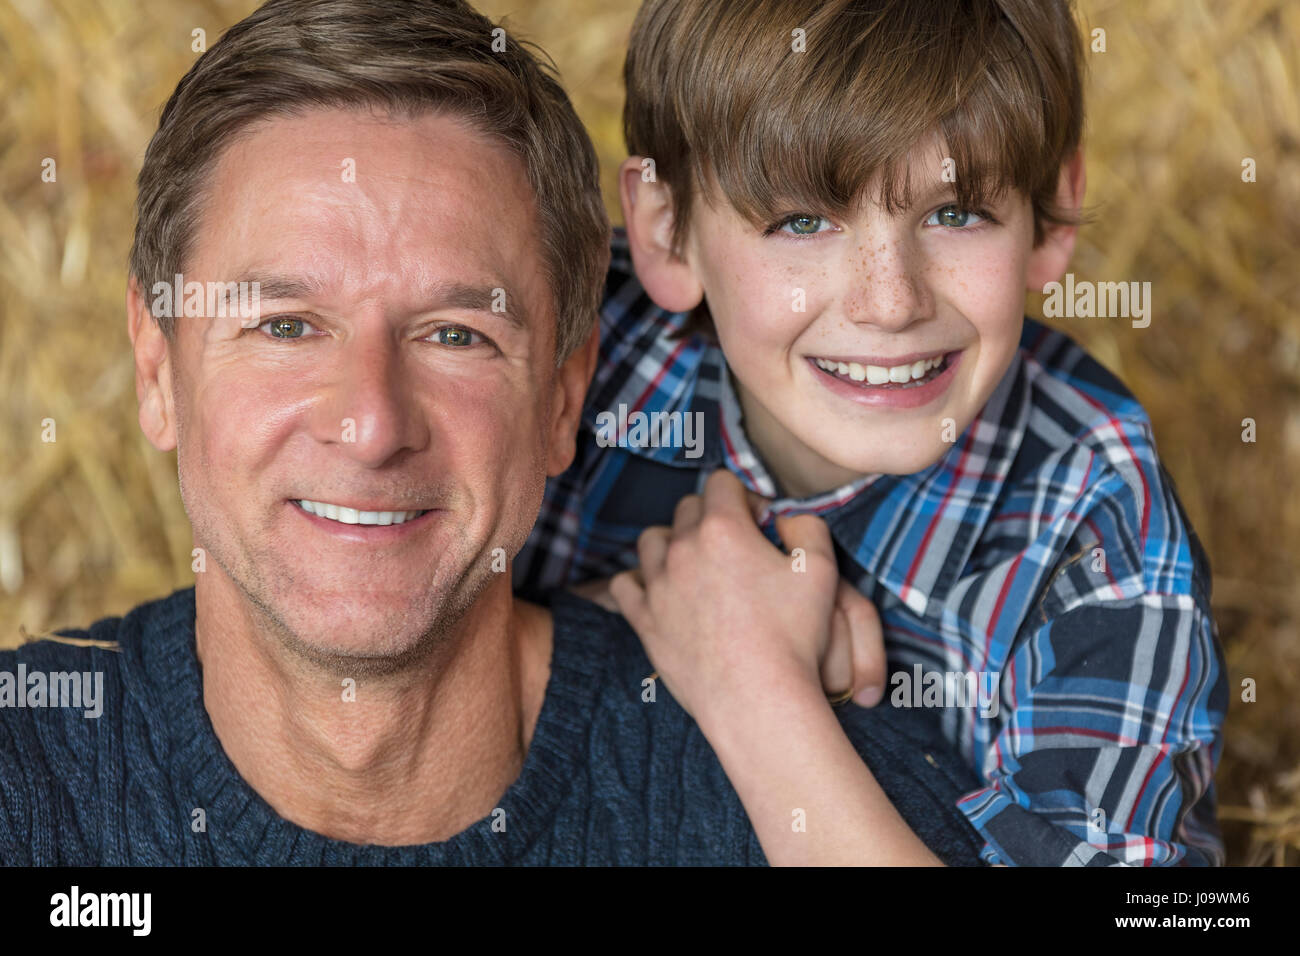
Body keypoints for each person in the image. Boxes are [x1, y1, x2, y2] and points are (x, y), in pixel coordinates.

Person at [0, 0, 985, 866]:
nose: (372, 423)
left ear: (565, 393)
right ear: (156, 366)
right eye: (286, 326)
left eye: (455, 334)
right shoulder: (27, 777)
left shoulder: (817, 800)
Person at [513, 0, 1229, 866]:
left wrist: (758, 692)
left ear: (1053, 213)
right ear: (666, 232)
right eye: (802, 223)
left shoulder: (1096, 521)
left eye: (955, 213)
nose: (891, 305)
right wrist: (627, 627)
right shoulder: (576, 342)